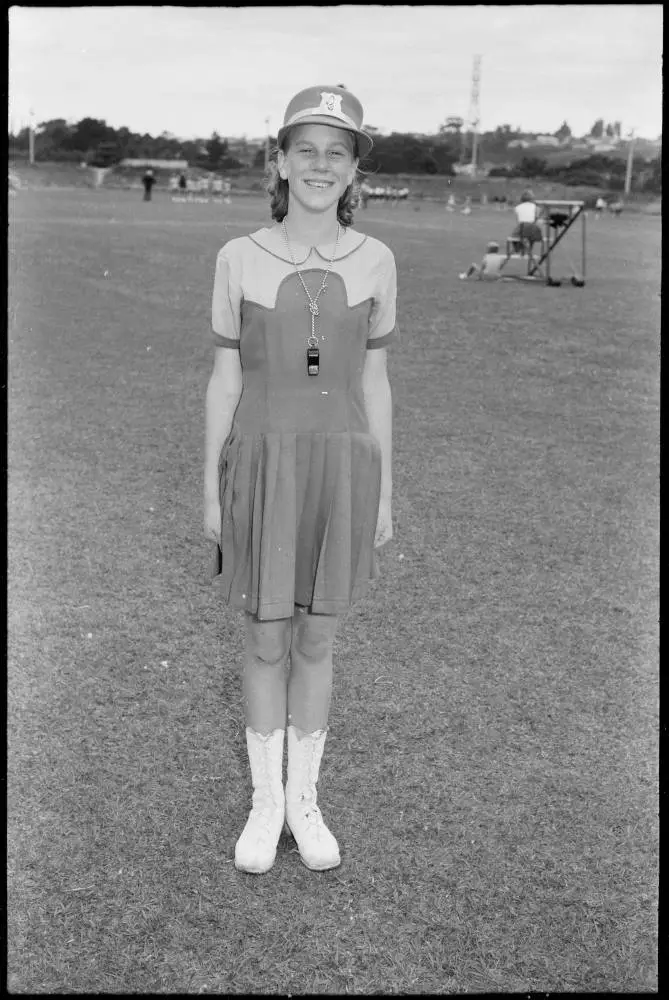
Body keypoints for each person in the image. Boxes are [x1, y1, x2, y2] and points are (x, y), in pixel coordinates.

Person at [204, 84, 396, 876]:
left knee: (317, 639)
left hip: (340, 466)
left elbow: (376, 382)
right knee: (263, 638)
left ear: (354, 172)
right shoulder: (237, 256)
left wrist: (383, 491)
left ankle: (304, 802)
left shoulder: (379, 259)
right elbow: (222, 381)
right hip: (263, 460)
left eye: (337, 152)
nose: (320, 165)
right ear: (280, 161)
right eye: (305, 149)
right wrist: (210, 491)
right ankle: (265, 803)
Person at [511, 188, 543, 257]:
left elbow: (518, 221)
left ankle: (519, 249)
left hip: (522, 226)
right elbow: (536, 218)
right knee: (532, 234)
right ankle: (529, 249)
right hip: (533, 228)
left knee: (513, 236)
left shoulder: (517, 207)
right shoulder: (536, 207)